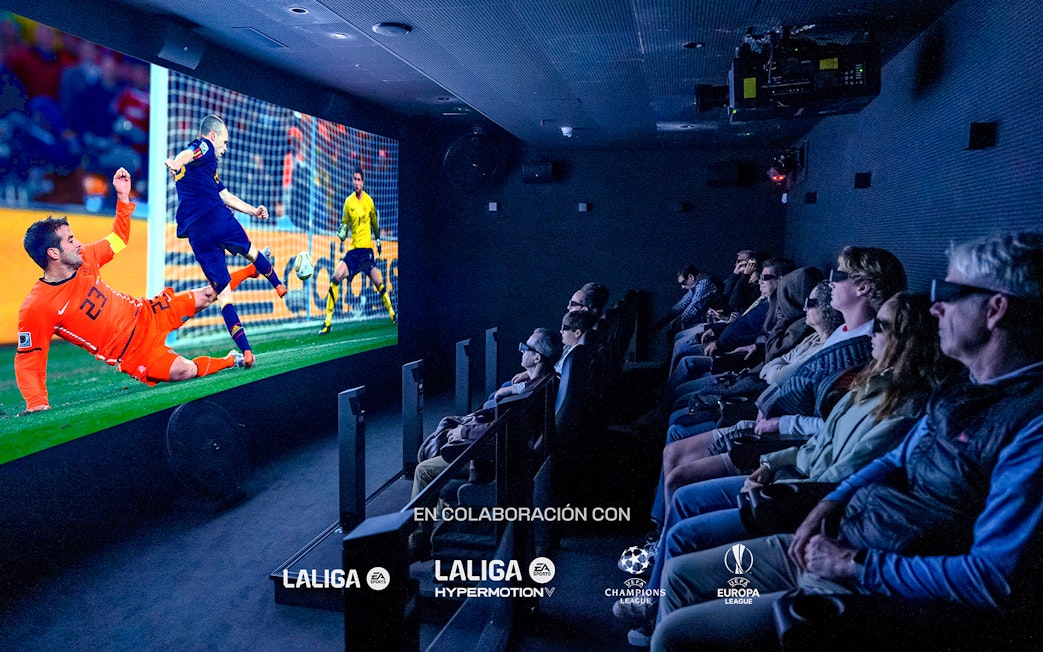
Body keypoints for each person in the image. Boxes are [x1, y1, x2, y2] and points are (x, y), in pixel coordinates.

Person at [651, 231, 1043, 652]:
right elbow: (893, 459)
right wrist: (830, 503)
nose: (937, 307)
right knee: (679, 576)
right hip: (840, 534)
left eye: (948, 293)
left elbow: (993, 579)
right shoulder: (962, 387)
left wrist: (853, 563)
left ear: (995, 309)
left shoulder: (1031, 426)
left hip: (868, 584)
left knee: (676, 635)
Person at [616, 292, 959, 647]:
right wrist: (771, 465)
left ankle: (655, 611)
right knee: (683, 492)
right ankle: (655, 601)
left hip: (799, 500)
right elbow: (817, 441)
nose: (872, 332)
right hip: (788, 475)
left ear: (908, 341)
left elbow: (841, 473)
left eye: (882, 327)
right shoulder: (870, 381)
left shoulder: (907, 409)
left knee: (684, 521)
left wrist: (778, 484)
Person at [15, 168, 252, 413]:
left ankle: (251, 269)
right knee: (185, 371)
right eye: (71, 240)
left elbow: (118, 239)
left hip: (146, 313)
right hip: (133, 352)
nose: (78, 244)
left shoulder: (86, 257)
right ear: (53, 253)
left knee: (207, 294)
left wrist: (123, 197)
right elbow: (29, 358)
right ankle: (230, 360)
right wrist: (37, 402)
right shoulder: (38, 306)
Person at [408, 327, 562, 559]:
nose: (521, 351)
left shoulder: (533, 393)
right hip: (504, 451)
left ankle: (416, 540)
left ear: (537, 358)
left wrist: (463, 431)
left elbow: (500, 429)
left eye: (525, 348)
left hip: (492, 458)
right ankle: (431, 538)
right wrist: (516, 385)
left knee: (423, 471)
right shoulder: (545, 381)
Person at [165, 114, 286, 369]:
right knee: (251, 251)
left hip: (196, 233)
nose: (225, 148)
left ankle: (247, 352)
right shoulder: (204, 146)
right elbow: (190, 152)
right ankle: (277, 284)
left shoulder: (206, 169)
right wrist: (176, 161)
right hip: (215, 217)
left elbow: (226, 195)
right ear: (213, 135)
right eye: (225, 142)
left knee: (224, 295)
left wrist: (253, 211)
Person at [319, 166, 396, 333]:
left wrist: (378, 240)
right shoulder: (348, 202)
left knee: (378, 282)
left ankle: (392, 314)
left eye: (359, 180)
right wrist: (341, 232)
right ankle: (327, 322)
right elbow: (344, 224)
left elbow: (375, 223)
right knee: (335, 276)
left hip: (366, 252)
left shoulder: (369, 201)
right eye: (354, 179)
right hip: (354, 252)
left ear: (363, 182)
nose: (356, 182)